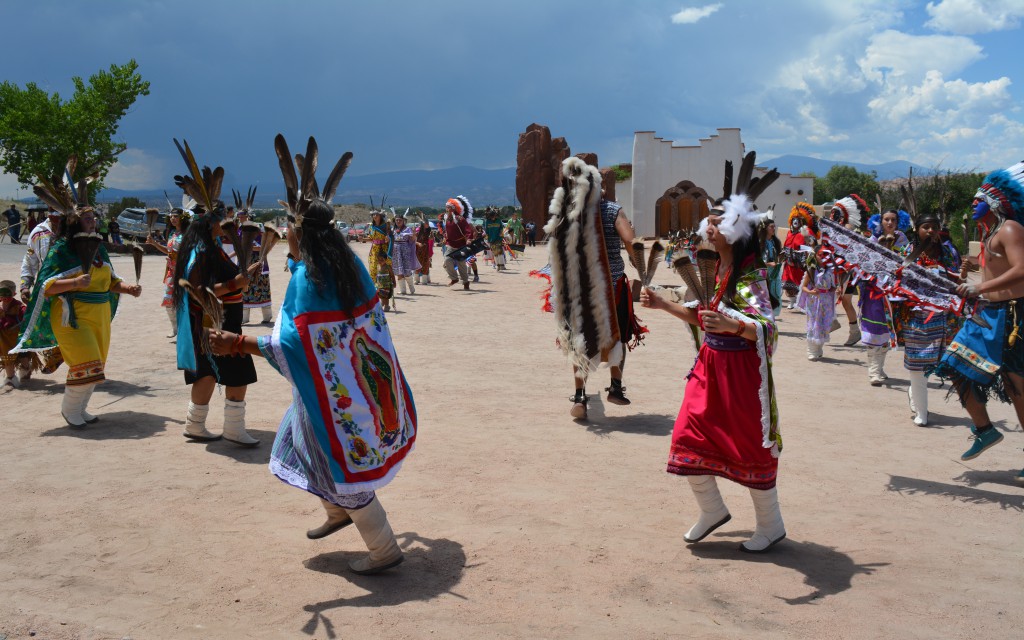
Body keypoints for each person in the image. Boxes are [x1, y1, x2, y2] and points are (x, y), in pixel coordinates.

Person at [210, 177, 415, 575]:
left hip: (332, 394)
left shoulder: (310, 279)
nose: (285, 234)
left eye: (289, 228)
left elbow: (295, 343)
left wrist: (237, 342)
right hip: (357, 386)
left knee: (335, 462)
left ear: (298, 233)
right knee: (293, 439)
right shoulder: (347, 265)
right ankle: (337, 512)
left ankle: (383, 547)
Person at [640, 152, 785, 553]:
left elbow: (769, 328)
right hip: (709, 368)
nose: (711, 223)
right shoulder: (715, 272)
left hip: (741, 376)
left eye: (720, 218)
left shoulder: (751, 276)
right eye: (712, 218)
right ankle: (712, 510)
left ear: (738, 227)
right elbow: (702, 316)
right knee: (687, 434)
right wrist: (664, 305)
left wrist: (737, 326)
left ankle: (771, 524)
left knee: (749, 445)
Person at [932, 161, 1024, 471]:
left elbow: (1022, 269)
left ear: (996, 201)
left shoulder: (1010, 228)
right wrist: (973, 267)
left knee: (1017, 386)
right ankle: (985, 430)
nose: (973, 203)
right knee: (954, 365)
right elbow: (999, 266)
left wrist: (980, 286)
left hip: (1012, 318)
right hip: (988, 314)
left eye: (979, 198)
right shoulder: (991, 233)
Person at [13, 207, 142, 427]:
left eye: (94, 218)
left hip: (99, 315)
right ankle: (70, 409)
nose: (93, 222)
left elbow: (110, 281)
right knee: (85, 361)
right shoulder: (62, 249)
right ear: (74, 223)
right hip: (71, 316)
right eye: (87, 219)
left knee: (97, 364)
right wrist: (74, 283)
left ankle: (81, 408)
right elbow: (46, 286)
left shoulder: (98, 248)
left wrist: (128, 288)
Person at [173, 201, 262, 446]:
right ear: (211, 223)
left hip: (217, 321)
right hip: (214, 323)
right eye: (223, 218)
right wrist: (235, 284)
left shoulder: (210, 247)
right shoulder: (202, 251)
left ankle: (195, 425)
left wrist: (242, 278)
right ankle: (233, 428)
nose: (227, 222)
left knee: (207, 373)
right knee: (238, 374)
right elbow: (199, 292)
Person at [897, 211, 962, 426]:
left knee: (940, 364)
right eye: (926, 227)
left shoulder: (948, 253)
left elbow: (955, 282)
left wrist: (963, 275)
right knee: (918, 367)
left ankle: (915, 396)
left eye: (934, 226)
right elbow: (899, 280)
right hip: (917, 318)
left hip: (944, 318)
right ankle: (922, 413)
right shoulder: (908, 252)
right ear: (917, 229)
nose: (931, 230)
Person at [859, 210, 910, 386]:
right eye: (886, 219)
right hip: (874, 292)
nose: (889, 222)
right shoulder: (872, 240)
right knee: (873, 330)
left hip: (894, 294)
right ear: (879, 221)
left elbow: (906, 263)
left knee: (888, 331)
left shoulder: (902, 241)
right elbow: (864, 263)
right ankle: (873, 370)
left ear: (898, 222)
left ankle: (879, 367)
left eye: (893, 220)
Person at [828, 196, 869, 346]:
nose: (832, 216)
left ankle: (853, 331)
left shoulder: (848, 229)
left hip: (847, 271)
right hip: (838, 270)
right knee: (841, 300)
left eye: (835, 213)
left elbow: (850, 252)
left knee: (844, 300)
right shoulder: (836, 229)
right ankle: (835, 324)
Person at [147, 208, 190, 339]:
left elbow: (190, 252)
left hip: (184, 271)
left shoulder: (188, 233)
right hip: (171, 271)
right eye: (171, 217)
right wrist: (154, 244)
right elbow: (168, 251)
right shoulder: (172, 233)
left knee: (185, 301)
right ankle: (175, 328)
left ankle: (186, 330)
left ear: (182, 218)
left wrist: (177, 257)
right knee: (168, 300)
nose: (173, 219)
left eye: (176, 216)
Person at [798, 246, 837, 361]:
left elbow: (832, 287)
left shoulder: (830, 270)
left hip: (826, 301)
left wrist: (835, 289)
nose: (822, 257)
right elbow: (804, 286)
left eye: (825, 255)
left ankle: (819, 348)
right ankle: (811, 350)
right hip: (814, 301)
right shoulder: (812, 269)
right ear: (815, 256)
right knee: (813, 323)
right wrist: (811, 291)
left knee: (824, 324)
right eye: (820, 255)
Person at [238, 211, 274, 325]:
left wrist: (252, 248)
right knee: (244, 287)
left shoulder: (259, 229)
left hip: (259, 263)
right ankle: (244, 317)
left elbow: (265, 246)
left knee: (262, 288)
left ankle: (267, 315)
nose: (240, 218)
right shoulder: (240, 229)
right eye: (239, 216)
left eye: (242, 216)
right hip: (245, 263)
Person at [782, 203, 814, 309]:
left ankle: (801, 301)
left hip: (800, 263)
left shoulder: (805, 233)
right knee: (788, 283)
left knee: (800, 282)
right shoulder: (789, 233)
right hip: (789, 262)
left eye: (798, 220)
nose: (795, 222)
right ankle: (792, 300)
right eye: (794, 219)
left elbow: (810, 246)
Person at [441, 198, 475, 290]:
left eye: (448, 208)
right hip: (450, 244)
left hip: (461, 245)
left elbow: (468, 230)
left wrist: (468, 239)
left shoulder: (460, 218)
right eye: (446, 208)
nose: (447, 209)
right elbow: (446, 231)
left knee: (461, 264)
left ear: (453, 208)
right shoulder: (446, 218)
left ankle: (465, 282)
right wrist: (445, 237)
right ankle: (454, 278)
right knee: (447, 260)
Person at [366, 211, 396, 310]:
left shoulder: (386, 226)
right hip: (374, 250)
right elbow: (371, 238)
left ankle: (385, 295)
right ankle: (375, 292)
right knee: (373, 270)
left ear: (380, 216)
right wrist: (362, 239)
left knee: (384, 270)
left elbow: (391, 236)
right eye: (373, 215)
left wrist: (389, 238)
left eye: (376, 215)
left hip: (383, 249)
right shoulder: (371, 226)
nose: (374, 216)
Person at [1, 280, 28, 388]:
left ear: (14, 294)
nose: (4, 297)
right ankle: (10, 378)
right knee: (7, 358)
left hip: (17, 338)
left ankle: (26, 369)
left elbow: (27, 318)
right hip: (3, 339)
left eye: (8, 294)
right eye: (2, 294)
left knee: (23, 357)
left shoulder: (19, 307)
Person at [390, 211, 420, 294]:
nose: (398, 221)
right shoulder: (393, 230)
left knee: (407, 272)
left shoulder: (408, 229)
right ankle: (403, 290)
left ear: (403, 221)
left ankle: (411, 288)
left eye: (400, 220)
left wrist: (414, 235)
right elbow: (390, 240)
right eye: (397, 220)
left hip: (405, 252)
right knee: (399, 271)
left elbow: (412, 240)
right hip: (396, 252)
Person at [760, 221, 783, 317]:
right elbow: (756, 261)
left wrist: (780, 258)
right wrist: (769, 264)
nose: (774, 229)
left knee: (775, 294)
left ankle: (772, 317)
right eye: (771, 227)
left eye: (774, 227)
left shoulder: (776, 242)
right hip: (763, 274)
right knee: (764, 295)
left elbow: (777, 257)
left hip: (774, 273)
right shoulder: (760, 243)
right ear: (765, 228)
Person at [413, 219, 434, 285]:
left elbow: (431, 239)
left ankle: (424, 280)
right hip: (418, 250)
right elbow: (413, 241)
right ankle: (416, 280)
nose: (427, 224)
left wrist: (431, 237)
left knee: (425, 264)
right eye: (425, 223)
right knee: (417, 265)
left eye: (427, 223)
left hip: (426, 250)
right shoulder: (418, 231)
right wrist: (418, 243)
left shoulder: (429, 231)